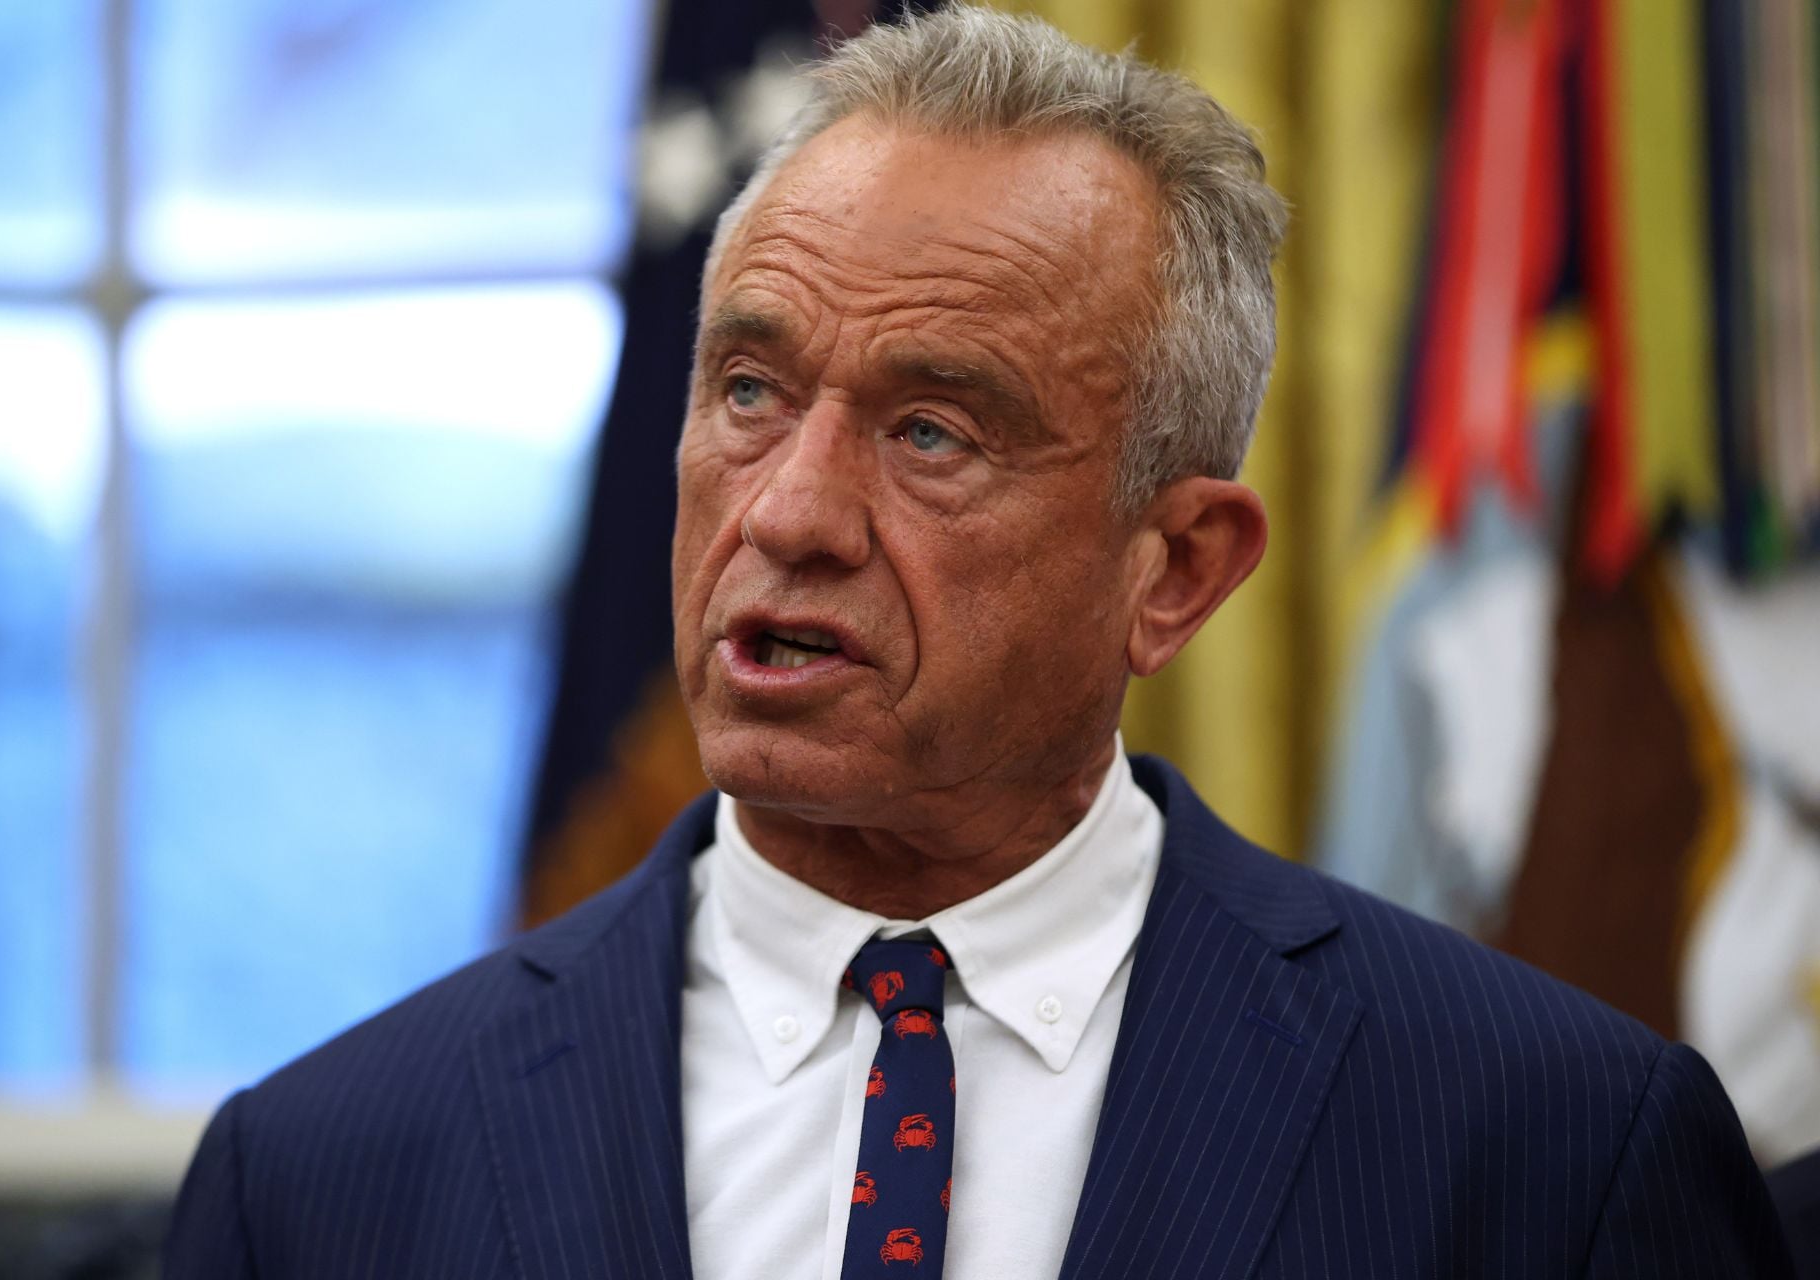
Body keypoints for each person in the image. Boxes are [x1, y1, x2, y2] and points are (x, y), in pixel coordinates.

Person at [165, 8, 1796, 1277]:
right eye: (748, 390)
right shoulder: (321, 1178)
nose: (789, 512)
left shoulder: (1550, 1149)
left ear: (1178, 570)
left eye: (933, 431)